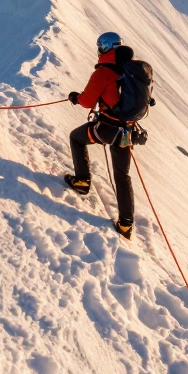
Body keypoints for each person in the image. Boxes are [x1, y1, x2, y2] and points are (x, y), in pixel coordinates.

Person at [65, 31, 136, 240]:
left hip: (107, 128)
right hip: (127, 130)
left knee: (76, 138)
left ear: (104, 48)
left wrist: (76, 98)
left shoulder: (104, 72)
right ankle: (126, 224)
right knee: (122, 175)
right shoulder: (130, 71)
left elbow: (87, 100)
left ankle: (82, 181)